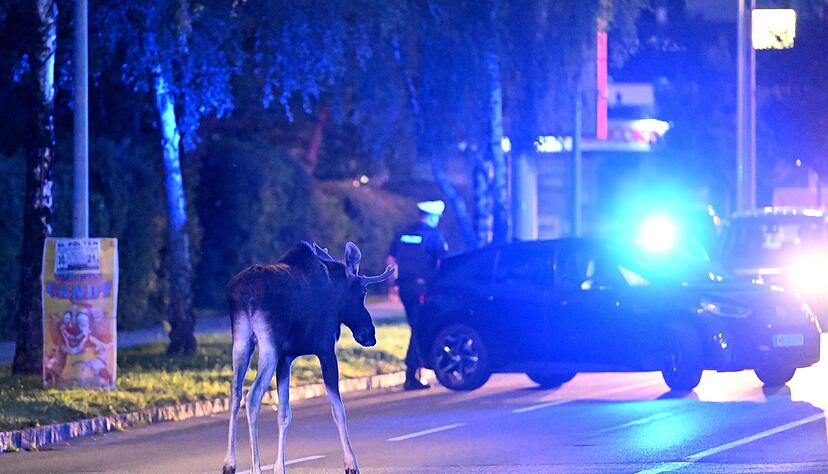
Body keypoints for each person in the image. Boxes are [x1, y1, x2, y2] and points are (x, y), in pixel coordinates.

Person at [388, 200, 449, 390]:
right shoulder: (434, 236)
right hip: (423, 289)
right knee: (420, 329)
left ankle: (414, 373)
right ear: (431, 217)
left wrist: (392, 284)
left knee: (415, 326)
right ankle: (412, 374)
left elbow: (391, 259)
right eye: (437, 218)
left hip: (405, 288)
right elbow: (442, 264)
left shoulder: (404, 233)